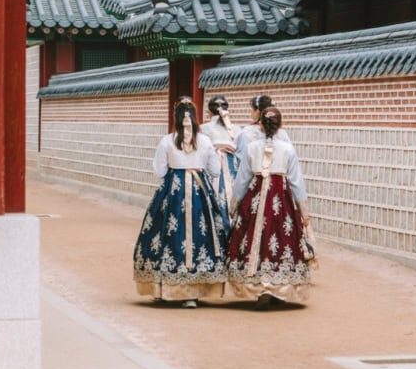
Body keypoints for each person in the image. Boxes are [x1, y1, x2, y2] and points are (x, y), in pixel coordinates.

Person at [133, 97, 229, 308]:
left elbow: (159, 171)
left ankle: (164, 288)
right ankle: (193, 292)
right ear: (194, 118)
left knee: (166, 234)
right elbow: (214, 171)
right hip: (199, 191)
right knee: (200, 234)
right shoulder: (204, 141)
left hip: (173, 191)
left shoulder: (167, 140)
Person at [227, 105, 312, 308]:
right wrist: (303, 211)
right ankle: (277, 289)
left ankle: (261, 287)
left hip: (255, 199)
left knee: (256, 238)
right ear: (280, 125)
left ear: (261, 126)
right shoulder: (288, 149)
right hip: (280, 199)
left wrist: (235, 204)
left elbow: (242, 179)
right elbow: (296, 182)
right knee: (282, 238)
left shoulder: (251, 147)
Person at [200, 94, 241, 226]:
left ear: (209, 112)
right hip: (232, 168)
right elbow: (241, 153)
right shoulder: (237, 129)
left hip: (211, 167)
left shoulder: (203, 128)